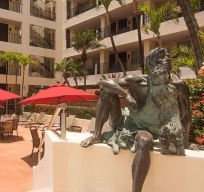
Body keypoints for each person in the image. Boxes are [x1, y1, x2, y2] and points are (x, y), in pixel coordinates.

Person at [81, 48, 189, 192]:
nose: (166, 61)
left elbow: (186, 114)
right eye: (160, 59)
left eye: (167, 58)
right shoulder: (138, 82)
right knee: (106, 92)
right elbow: (105, 82)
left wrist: (186, 139)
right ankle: (96, 135)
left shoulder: (177, 86)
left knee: (144, 141)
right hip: (127, 124)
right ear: (151, 64)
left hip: (150, 131)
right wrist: (125, 95)